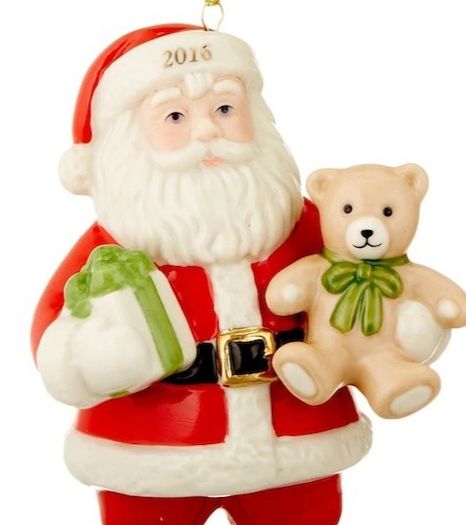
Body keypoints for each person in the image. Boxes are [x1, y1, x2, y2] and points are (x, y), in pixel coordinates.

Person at [31, 24, 372, 525]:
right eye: (174, 116)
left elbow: (369, 287)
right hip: (153, 446)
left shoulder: (310, 226)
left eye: (226, 108)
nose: (207, 130)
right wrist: (93, 356)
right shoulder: (110, 249)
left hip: (299, 436)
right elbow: (53, 327)